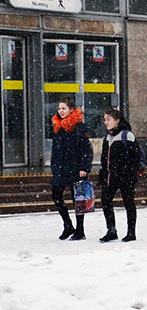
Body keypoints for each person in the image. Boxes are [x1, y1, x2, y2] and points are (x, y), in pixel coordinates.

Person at [49, 97, 92, 240]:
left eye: (64, 108)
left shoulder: (79, 127)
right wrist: (54, 165)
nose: (61, 111)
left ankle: (80, 230)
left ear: (71, 109)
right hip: (60, 167)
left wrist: (84, 167)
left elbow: (86, 150)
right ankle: (68, 225)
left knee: (78, 200)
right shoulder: (58, 127)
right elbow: (56, 149)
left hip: (75, 168)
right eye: (59, 108)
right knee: (56, 195)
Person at [97, 108, 141, 242]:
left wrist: (127, 171)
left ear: (117, 121)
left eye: (108, 119)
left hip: (125, 177)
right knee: (105, 201)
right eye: (105, 119)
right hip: (111, 177)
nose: (106, 122)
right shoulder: (107, 137)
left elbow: (135, 156)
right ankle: (111, 230)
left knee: (128, 203)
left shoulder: (127, 135)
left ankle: (131, 232)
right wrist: (103, 173)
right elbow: (104, 159)